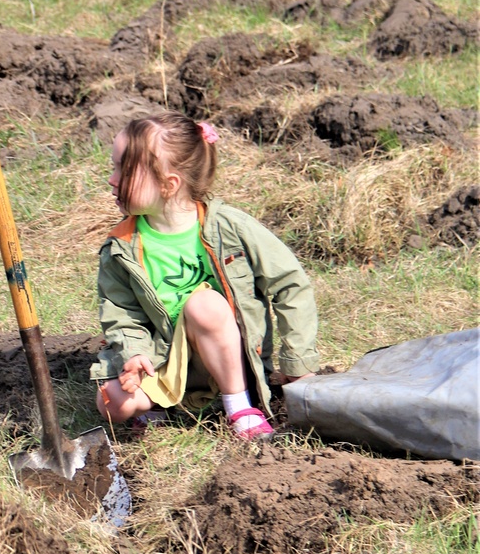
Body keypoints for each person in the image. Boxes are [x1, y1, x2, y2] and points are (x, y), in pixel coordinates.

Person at [91, 113, 318, 440]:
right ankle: (163, 407)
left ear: (169, 184)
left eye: (122, 170)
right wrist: (133, 354)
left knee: (205, 305)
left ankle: (239, 407)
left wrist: (298, 362)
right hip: (166, 363)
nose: (112, 180)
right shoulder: (121, 247)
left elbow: (290, 284)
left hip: (231, 363)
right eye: (113, 168)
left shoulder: (229, 227)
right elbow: (121, 312)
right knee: (112, 403)